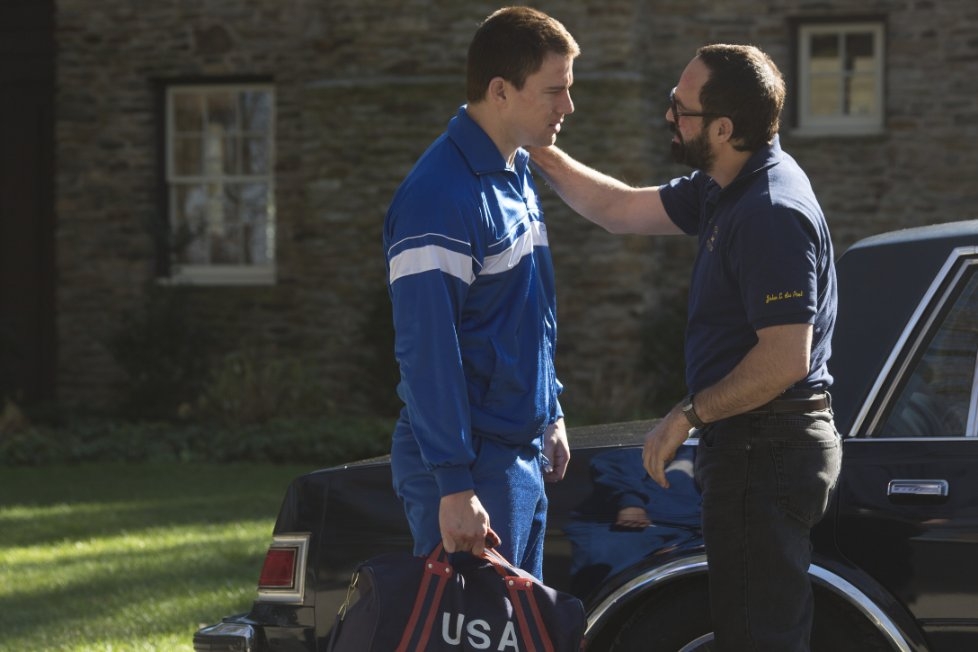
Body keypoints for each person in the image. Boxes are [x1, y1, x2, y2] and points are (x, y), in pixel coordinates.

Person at [529, 44, 841, 650]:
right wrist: (531, 146)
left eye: (680, 107)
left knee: (760, 640)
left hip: (767, 450)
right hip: (755, 445)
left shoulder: (770, 210)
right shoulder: (725, 184)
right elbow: (618, 208)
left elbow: (785, 358)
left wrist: (687, 415)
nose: (668, 115)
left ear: (723, 129)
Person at [383, 6, 579, 580]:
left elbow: (530, 310)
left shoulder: (515, 170)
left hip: (518, 455)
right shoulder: (438, 197)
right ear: (500, 90)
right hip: (471, 471)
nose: (568, 106)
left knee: (517, 626)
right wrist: (453, 484)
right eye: (555, 90)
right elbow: (427, 348)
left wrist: (550, 410)